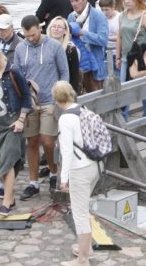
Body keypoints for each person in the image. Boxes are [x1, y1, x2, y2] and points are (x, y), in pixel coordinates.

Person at [14, 14, 68, 199]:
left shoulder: (54, 46)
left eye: (34, 35)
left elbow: (64, 73)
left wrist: (60, 99)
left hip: (50, 101)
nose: (31, 38)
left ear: (40, 28)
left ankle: (53, 172)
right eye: (27, 36)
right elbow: (17, 77)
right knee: (32, 143)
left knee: (47, 141)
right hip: (30, 103)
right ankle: (33, 182)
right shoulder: (21, 49)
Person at [0, 40, 32, 215]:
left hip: (12, 121)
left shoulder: (14, 71)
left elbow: (26, 97)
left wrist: (21, 120)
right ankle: (10, 197)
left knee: (8, 161)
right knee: (2, 160)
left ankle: (6, 202)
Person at [53, 81, 99, 266]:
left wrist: (64, 179)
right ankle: (86, 248)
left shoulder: (65, 119)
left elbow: (67, 152)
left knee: (79, 213)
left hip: (79, 169)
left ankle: (83, 259)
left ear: (57, 99)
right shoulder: (84, 110)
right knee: (83, 208)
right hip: (94, 165)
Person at [68, 0, 109, 93]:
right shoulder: (71, 17)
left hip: (95, 63)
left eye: (77, 1)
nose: (74, 4)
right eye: (72, 1)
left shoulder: (98, 15)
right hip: (78, 65)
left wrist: (83, 33)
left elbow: (103, 40)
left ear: (85, 0)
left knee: (96, 97)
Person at [48, 16, 81, 94]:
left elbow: (74, 76)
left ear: (65, 31)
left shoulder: (71, 49)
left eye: (59, 27)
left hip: (65, 88)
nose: (56, 29)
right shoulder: (44, 47)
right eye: (54, 26)